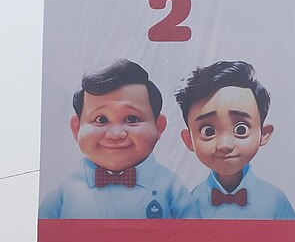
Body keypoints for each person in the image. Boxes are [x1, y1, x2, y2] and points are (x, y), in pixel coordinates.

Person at [39, 59, 199, 219]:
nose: (116, 134)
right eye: (101, 119)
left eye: (132, 119)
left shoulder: (170, 186)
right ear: (76, 128)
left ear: (158, 126)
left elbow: (194, 230)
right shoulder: (64, 187)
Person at [175, 60, 295, 220]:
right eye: (208, 131)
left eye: (241, 129)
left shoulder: (275, 201)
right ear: (189, 140)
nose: (224, 145)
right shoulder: (191, 203)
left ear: (264, 133)